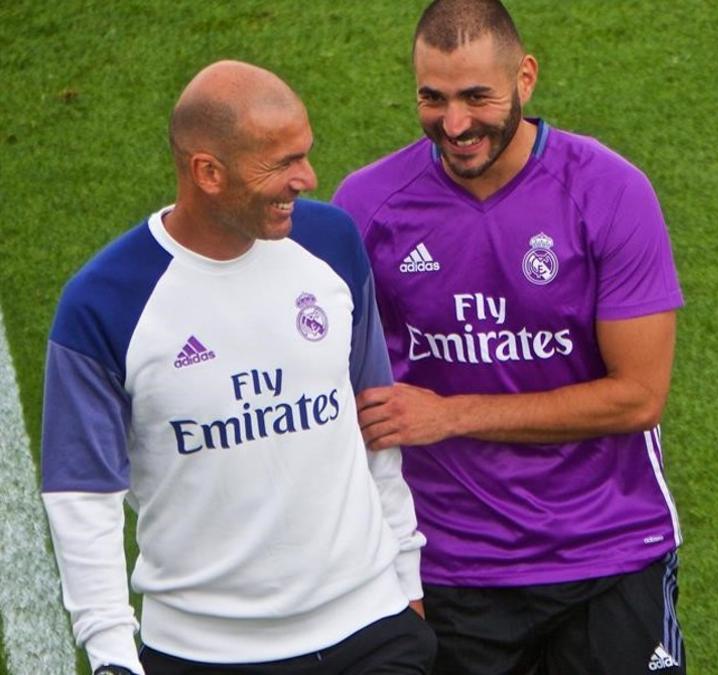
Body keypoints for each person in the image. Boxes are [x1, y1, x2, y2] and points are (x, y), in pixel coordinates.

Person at [41, 60, 435, 675]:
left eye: (304, 154)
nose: (306, 179)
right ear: (208, 172)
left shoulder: (331, 243)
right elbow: (83, 497)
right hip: (206, 655)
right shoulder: (105, 302)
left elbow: (373, 419)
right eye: (280, 163)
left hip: (372, 631)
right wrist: (112, 656)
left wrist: (404, 574)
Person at [331, 1, 685, 673]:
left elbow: (638, 397)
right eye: (432, 99)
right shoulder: (369, 206)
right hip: (453, 565)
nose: (455, 124)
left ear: (525, 78)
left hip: (608, 551)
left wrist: (448, 414)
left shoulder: (610, 193)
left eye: (475, 97)